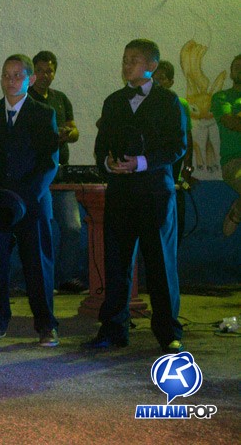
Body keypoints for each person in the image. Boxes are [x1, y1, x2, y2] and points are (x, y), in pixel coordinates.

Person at [85, 39, 186, 353]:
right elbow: (101, 147)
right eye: (125, 59)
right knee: (116, 264)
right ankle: (113, 329)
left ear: (152, 66)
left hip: (155, 194)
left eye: (134, 60)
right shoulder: (113, 101)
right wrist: (108, 164)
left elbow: (177, 146)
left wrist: (140, 163)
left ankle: (168, 332)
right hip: (121, 194)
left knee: (160, 264)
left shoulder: (169, 102)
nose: (127, 64)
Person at [0, 54, 60, 347]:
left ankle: (46, 325)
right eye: (6, 75)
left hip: (32, 205)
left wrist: (24, 199)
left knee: (38, 265)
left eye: (17, 75)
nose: (10, 81)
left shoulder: (44, 114)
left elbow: (49, 163)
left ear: (30, 80)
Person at [28, 51, 85, 293]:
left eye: (49, 71)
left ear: (54, 73)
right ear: (32, 73)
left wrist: (67, 134)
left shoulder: (61, 99)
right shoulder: (25, 99)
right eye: (40, 70)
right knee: (42, 229)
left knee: (72, 227)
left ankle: (66, 278)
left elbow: (75, 131)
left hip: (62, 175)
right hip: (36, 175)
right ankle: (41, 280)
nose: (45, 75)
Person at [153, 60, 197, 239]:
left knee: (176, 215)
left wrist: (188, 166)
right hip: (152, 166)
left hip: (174, 166)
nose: (157, 82)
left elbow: (187, 137)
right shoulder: (144, 104)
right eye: (154, 78)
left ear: (170, 82)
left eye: (162, 78)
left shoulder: (180, 103)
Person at [211, 54, 241, 236]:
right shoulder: (222, 97)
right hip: (234, 161)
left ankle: (237, 210)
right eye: (236, 66)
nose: (240, 69)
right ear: (231, 73)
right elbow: (230, 122)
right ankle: (236, 214)